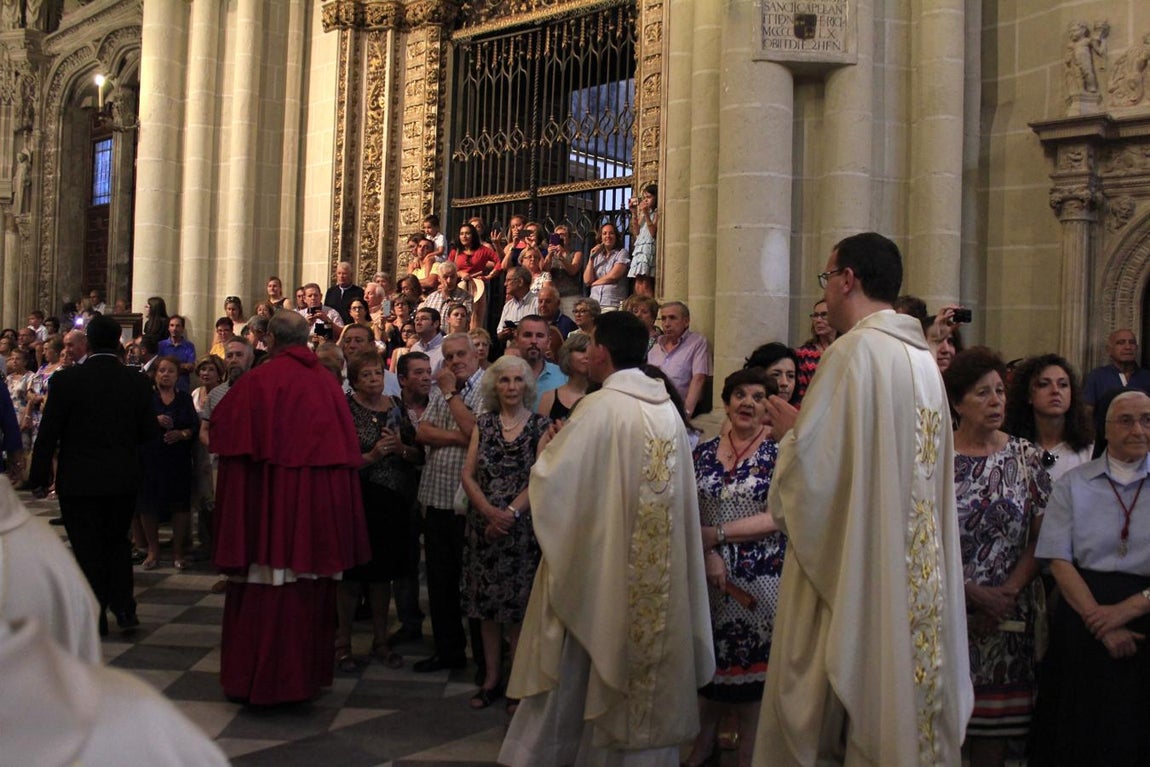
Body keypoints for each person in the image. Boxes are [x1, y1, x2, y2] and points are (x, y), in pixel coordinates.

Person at [754, 232, 972, 766]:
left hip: (861, 569)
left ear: (848, 278)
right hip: (911, 574)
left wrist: (791, 435)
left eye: (827, 279)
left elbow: (814, 483)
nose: (825, 294)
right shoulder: (921, 361)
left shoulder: (853, 353)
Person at [499, 310, 714, 766]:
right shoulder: (668, 412)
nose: (586, 352)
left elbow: (554, 485)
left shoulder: (600, 408)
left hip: (604, 577)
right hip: (658, 585)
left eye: (591, 343)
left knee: (580, 672)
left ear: (603, 351)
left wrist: (545, 453)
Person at [210, 311, 369, 704]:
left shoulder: (257, 382)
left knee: (266, 592)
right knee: (306, 593)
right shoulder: (327, 385)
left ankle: (256, 681)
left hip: (266, 514)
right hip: (310, 519)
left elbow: (226, 440)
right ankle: (302, 682)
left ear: (268, 340)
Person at [1031, 388, 1150, 766]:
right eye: (1127, 420)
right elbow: (1058, 559)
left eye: (1147, 420)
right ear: (1106, 429)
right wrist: (1101, 622)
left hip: (1144, 611)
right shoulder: (1074, 483)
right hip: (1083, 612)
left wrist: (1127, 611)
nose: (1138, 429)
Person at [945, 347, 1050, 766]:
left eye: (1000, 393)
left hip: (1008, 619)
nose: (995, 402)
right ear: (956, 403)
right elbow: (921, 538)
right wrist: (970, 592)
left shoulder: (1027, 457)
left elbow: (1043, 537)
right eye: (982, 394)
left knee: (994, 742)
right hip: (951, 612)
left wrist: (1006, 592)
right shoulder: (935, 458)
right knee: (946, 737)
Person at [27, 314, 158, 637]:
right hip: (121, 478)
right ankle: (125, 609)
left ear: (89, 341)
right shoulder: (136, 381)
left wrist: (39, 477)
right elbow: (149, 434)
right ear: (117, 343)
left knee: (86, 548)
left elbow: (49, 433)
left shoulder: (66, 381)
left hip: (78, 479)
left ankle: (94, 616)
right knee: (116, 543)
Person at [686, 368, 783, 767]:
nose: (748, 403)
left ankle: (748, 757)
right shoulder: (704, 452)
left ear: (768, 408)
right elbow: (688, 508)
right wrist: (707, 549)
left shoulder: (779, 454)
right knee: (709, 678)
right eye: (740, 394)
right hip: (708, 579)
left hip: (760, 584)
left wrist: (718, 536)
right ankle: (701, 749)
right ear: (726, 402)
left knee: (753, 688)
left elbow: (781, 515)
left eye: (758, 397)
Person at [460, 355, 549, 710]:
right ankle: (491, 678)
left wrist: (509, 514)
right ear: (494, 387)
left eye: (517, 380)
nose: (511, 387)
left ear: (527, 386)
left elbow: (540, 477)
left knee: (517, 612)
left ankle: (517, 682)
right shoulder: (484, 423)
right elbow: (468, 473)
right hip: (484, 527)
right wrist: (486, 512)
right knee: (486, 610)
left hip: (520, 529)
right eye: (504, 381)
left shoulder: (539, 426)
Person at [335, 349, 423, 672]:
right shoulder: (346, 408)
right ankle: (342, 642)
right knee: (352, 575)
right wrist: (371, 456)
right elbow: (337, 456)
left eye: (376, 374)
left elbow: (417, 453)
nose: (373, 380)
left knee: (382, 575)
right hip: (357, 497)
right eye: (366, 375)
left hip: (392, 500)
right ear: (354, 381)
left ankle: (380, 640)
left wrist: (400, 449)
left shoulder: (396, 407)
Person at [413, 333, 487, 674]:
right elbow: (422, 432)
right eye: (449, 356)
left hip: (469, 502)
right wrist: (461, 437)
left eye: (461, 354)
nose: (455, 361)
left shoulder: (487, 386)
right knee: (441, 583)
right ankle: (448, 651)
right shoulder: (442, 388)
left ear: (475, 356)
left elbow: (479, 432)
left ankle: (484, 660)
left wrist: (450, 394)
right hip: (437, 496)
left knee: (472, 583)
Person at [136, 357, 199, 570]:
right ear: (155, 374)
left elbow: (193, 426)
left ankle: (178, 551)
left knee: (179, 505)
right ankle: (153, 550)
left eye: (170, 371)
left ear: (177, 374)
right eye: (162, 370)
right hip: (151, 457)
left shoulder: (184, 399)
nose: (165, 374)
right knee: (148, 504)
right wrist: (154, 420)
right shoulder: (147, 398)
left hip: (177, 459)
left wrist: (181, 433)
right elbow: (134, 423)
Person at [1005, 354, 1094, 482]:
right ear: (1028, 395)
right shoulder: (1011, 449)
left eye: (1063, 385)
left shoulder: (1089, 452)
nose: (1055, 390)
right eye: (1044, 384)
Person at [648, 300, 713, 418]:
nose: (667, 323)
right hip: (652, 409)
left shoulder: (696, 342)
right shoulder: (656, 345)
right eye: (663, 319)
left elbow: (698, 378)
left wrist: (686, 414)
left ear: (686, 321)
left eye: (672, 318)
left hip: (678, 410)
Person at [1083, 329, 1150, 415]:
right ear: (1109, 350)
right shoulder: (1097, 376)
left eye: (1132, 343)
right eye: (1121, 343)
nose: (1128, 347)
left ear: (1136, 348)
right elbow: (1087, 414)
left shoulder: (1147, 377)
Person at [513, 315, 566, 409]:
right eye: (527, 335)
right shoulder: (502, 376)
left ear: (548, 342)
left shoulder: (563, 377)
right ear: (517, 339)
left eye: (540, 336)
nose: (534, 341)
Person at [535, 333, 591, 421]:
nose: (587, 356)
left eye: (591, 352)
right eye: (582, 350)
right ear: (567, 354)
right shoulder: (549, 397)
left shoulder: (602, 395)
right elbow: (539, 432)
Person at [794, 299, 837, 402]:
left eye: (824, 315)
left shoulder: (846, 348)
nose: (818, 320)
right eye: (815, 315)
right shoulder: (803, 354)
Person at [582, 222, 630, 309]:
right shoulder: (597, 256)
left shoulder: (622, 253)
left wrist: (595, 283)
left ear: (616, 236)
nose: (608, 236)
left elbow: (614, 276)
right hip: (594, 302)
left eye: (611, 233)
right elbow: (587, 280)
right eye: (604, 233)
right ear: (601, 238)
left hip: (612, 302)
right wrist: (591, 258)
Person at [628, 183, 658, 296]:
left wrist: (645, 213)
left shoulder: (656, 213)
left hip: (648, 248)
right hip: (640, 248)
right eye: (644, 198)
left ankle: (648, 307)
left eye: (649, 197)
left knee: (645, 281)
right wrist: (634, 213)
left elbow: (653, 232)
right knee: (638, 281)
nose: (646, 200)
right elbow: (636, 232)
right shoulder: (645, 214)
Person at [157, 315, 196, 392]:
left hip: (182, 386)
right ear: (168, 328)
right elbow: (158, 365)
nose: (174, 329)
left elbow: (191, 367)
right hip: (164, 386)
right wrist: (182, 366)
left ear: (182, 328)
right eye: (172, 325)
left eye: (178, 326)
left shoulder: (189, 346)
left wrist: (169, 366)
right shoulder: (161, 345)